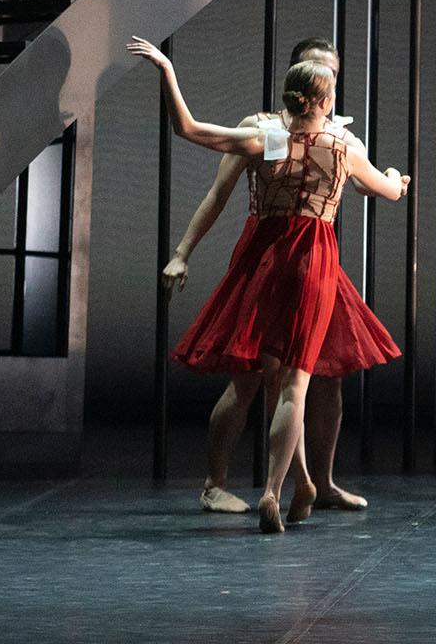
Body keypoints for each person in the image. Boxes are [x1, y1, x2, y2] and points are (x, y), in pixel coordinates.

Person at [130, 37, 409, 533]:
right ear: (320, 95)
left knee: (291, 382)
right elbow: (384, 188)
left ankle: (305, 484)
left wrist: (169, 70)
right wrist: (395, 178)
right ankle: (268, 489)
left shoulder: (272, 139)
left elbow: (188, 128)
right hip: (308, 258)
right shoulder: (333, 144)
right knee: (286, 383)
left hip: (272, 256)